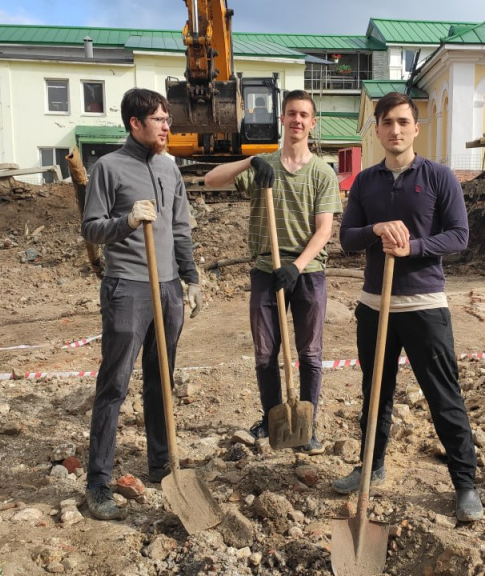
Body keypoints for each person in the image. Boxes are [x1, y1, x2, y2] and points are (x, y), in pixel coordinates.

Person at [333, 91, 483, 522]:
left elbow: (458, 236)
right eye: (387, 123)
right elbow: (346, 239)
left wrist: (411, 246)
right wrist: (376, 228)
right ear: (377, 130)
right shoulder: (364, 182)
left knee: (443, 395)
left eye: (403, 122)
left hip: (423, 305)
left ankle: (465, 483)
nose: (395, 130)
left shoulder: (439, 177)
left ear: (416, 128)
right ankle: (371, 466)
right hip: (373, 306)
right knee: (375, 393)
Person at [80, 88, 203, 521]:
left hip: (167, 288)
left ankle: (160, 463)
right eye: (158, 119)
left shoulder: (170, 169)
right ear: (135, 123)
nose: (167, 126)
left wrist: (190, 277)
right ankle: (98, 481)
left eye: (168, 119)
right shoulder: (108, 168)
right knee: (114, 384)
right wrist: (127, 221)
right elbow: (91, 229)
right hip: (128, 287)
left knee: (161, 379)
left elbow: (181, 227)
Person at [205, 90, 342, 455]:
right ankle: (271, 417)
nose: (297, 120)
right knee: (265, 352)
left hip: (307, 270)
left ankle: (307, 425)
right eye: (291, 114)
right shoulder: (263, 166)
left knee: (310, 353)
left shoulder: (322, 173)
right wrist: (249, 162)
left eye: (304, 115)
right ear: (282, 120)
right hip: (266, 268)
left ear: (313, 123)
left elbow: (325, 230)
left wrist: (295, 268)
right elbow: (210, 180)